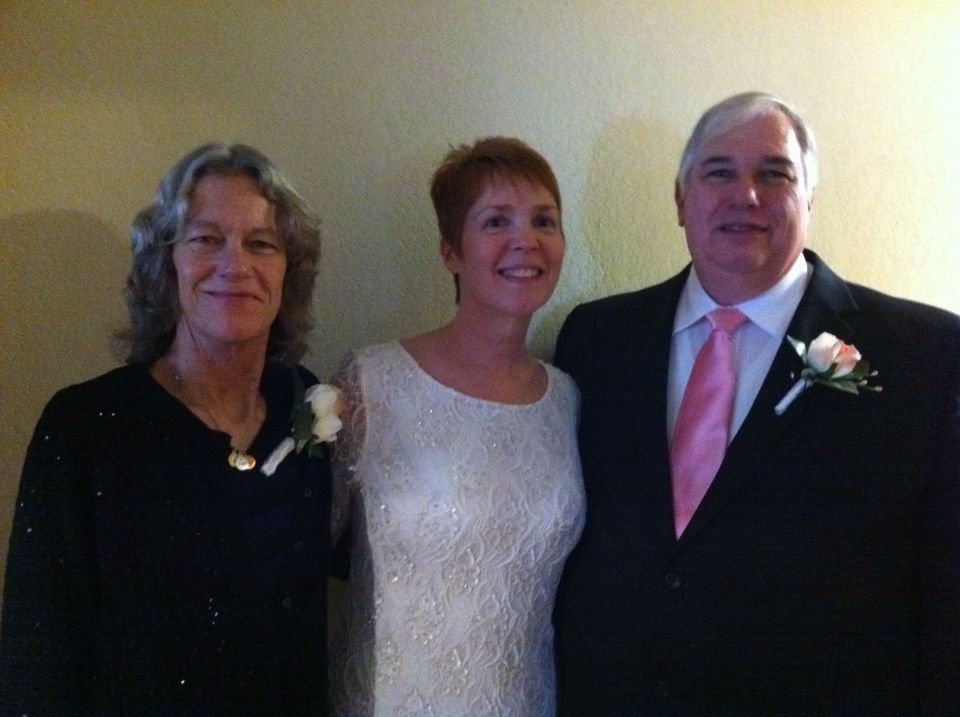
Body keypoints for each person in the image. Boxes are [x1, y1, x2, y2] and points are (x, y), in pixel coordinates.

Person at [553, 92, 960, 716]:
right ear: (680, 199)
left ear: (810, 197)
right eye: (719, 172)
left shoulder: (926, 353)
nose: (745, 195)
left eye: (774, 174)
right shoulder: (596, 339)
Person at [1, 143, 334, 716]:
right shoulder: (86, 428)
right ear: (166, 262)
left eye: (261, 243)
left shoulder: (303, 405)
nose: (235, 265)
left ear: (289, 271)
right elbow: (39, 654)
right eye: (205, 239)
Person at [330, 137, 585, 716]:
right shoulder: (371, 382)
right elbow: (298, 558)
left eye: (544, 220)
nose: (526, 239)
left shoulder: (568, 399)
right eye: (496, 221)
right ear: (450, 251)